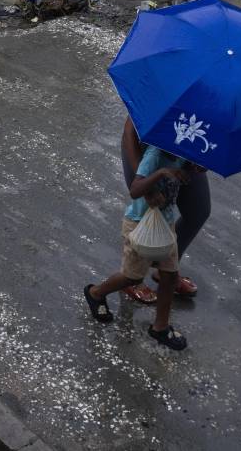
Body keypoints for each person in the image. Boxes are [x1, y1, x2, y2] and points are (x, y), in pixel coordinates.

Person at [84, 142, 192, 351]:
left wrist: (187, 172)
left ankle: (160, 326)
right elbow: (135, 190)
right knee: (133, 277)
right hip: (139, 224)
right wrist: (161, 173)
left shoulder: (181, 155)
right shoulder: (154, 154)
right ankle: (96, 293)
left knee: (170, 275)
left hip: (165, 224)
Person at [119, 115, 209, 303]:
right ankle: (131, 278)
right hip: (145, 149)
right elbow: (130, 129)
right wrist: (146, 183)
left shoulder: (224, 96)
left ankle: (166, 271)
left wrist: (203, 159)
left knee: (198, 211)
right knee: (145, 214)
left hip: (183, 153)